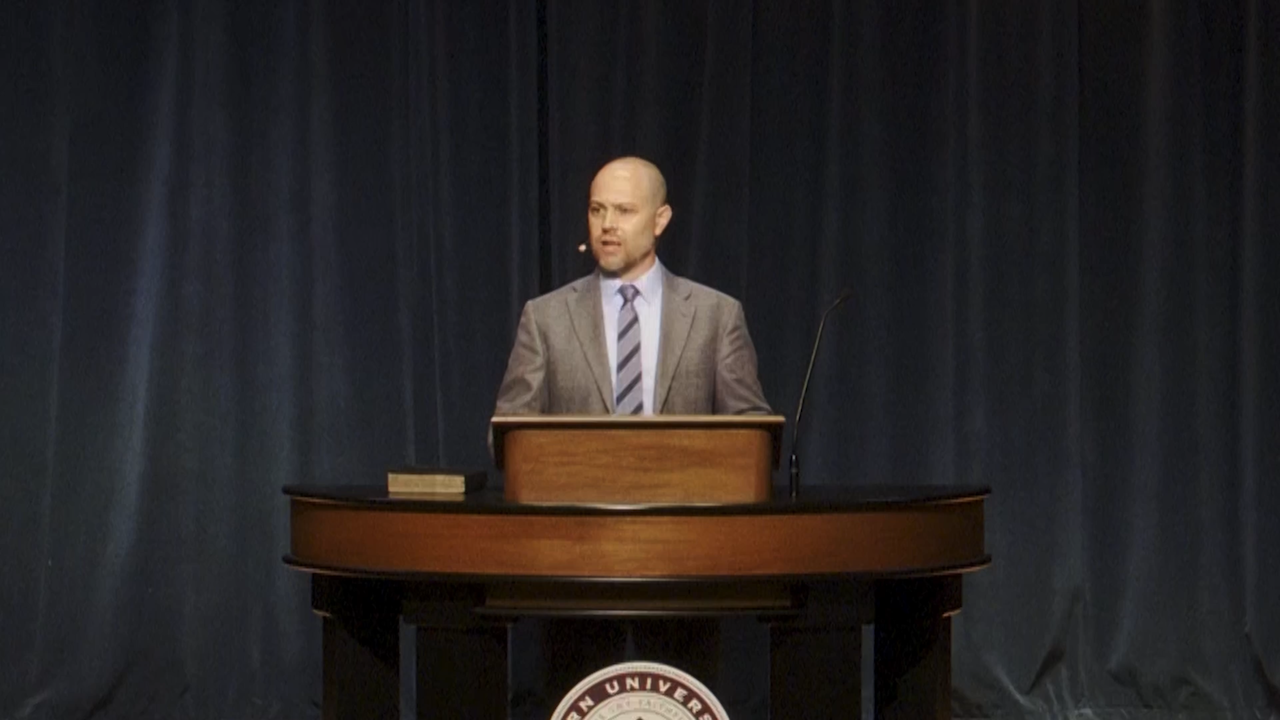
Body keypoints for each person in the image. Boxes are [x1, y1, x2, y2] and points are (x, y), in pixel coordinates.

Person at [492, 156, 772, 713]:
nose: (607, 225)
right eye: (597, 210)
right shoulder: (545, 319)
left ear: (660, 219)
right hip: (574, 575)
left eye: (623, 210)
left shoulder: (716, 316)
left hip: (684, 572)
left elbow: (749, 438)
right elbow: (510, 436)